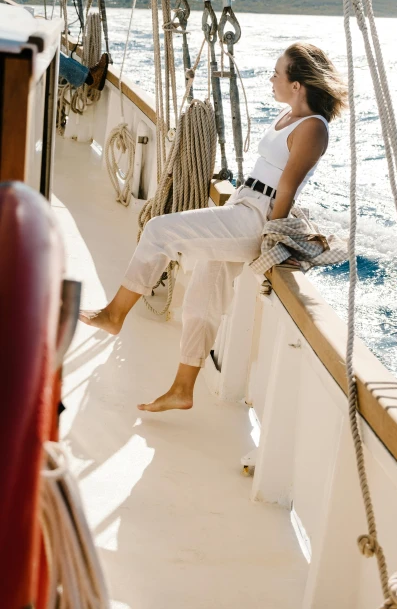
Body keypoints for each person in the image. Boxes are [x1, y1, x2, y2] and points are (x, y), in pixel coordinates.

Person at [79, 43, 348, 412]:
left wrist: (270, 236)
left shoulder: (313, 129)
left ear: (297, 84)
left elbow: (286, 188)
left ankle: (114, 314)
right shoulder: (287, 117)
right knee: (203, 299)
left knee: (159, 230)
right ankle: (182, 389)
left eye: (277, 72)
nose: (272, 78)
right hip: (243, 201)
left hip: (258, 217)